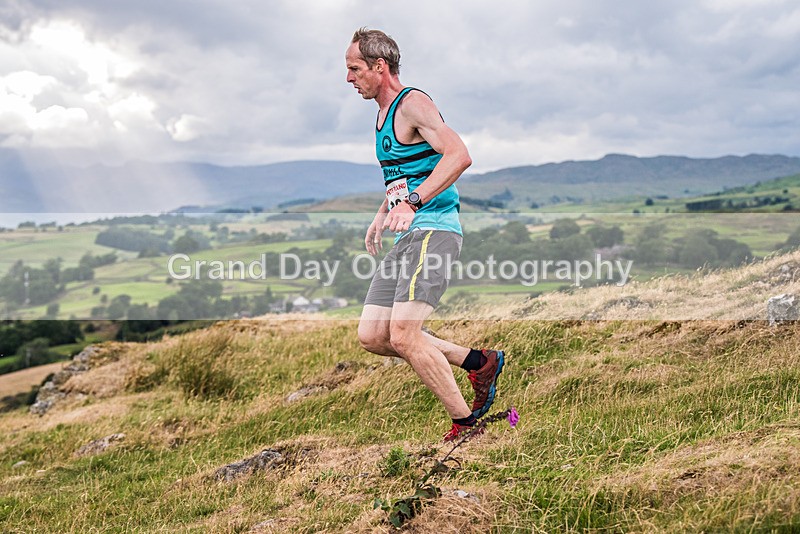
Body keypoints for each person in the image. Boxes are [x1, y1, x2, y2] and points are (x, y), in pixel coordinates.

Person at [345, 28, 505, 442]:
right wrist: (384, 211)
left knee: (404, 333)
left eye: (354, 69)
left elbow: (459, 155)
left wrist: (412, 203)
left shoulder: (412, 103)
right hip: (407, 236)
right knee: (374, 336)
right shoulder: (380, 117)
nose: (349, 78)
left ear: (380, 67)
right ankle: (478, 361)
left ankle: (467, 426)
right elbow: (403, 175)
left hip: (434, 230)